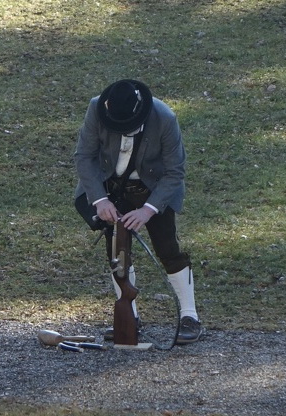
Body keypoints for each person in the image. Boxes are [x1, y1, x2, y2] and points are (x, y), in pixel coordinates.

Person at [73, 78, 203, 345]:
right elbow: (84, 157)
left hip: (154, 189)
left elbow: (175, 170)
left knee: (168, 249)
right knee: (116, 251)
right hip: (111, 189)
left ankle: (190, 317)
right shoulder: (96, 107)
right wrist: (100, 200)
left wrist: (148, 210)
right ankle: (128, 318)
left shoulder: (165, 117)